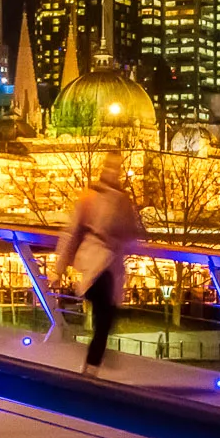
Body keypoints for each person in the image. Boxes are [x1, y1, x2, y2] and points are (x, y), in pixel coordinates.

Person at [52, 152, 143, 370]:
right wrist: (58, 269)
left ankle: (93, 364)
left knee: (106, 316)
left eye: (116, 168)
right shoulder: (90, 197)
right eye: (110, 167)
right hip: (94, 263)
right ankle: (92, 365)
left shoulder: (122, 200)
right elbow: (72, 232)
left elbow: (132, 233)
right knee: (104, 311)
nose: (113, 171)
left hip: (109, 265)